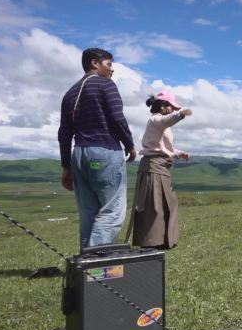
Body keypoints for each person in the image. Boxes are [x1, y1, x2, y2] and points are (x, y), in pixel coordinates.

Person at [58, 48, 136, 249]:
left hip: (79, 155)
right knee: (112, 212)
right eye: (109, 65)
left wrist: (66, 166)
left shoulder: (69, 93)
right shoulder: (105, 85)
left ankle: (84, 273)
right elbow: (117, 119)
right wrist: (130, 145)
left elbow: (64, 133)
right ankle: (90, 265)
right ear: (95, 63)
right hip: (105, 152)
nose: (112, 71)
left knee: (89, 214)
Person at [127, 91, 192, 249]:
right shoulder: (156, 120)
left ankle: (160, 240)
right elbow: (167, 120)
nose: (173, 110)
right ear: (164, 106)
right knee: (153, 206)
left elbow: (162, 147)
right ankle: (152, 242)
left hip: (159, 166)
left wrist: (178, 153)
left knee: (163, 203)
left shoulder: (160, 124)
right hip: (153, 167)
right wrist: (181, 114)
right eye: (172, 107)